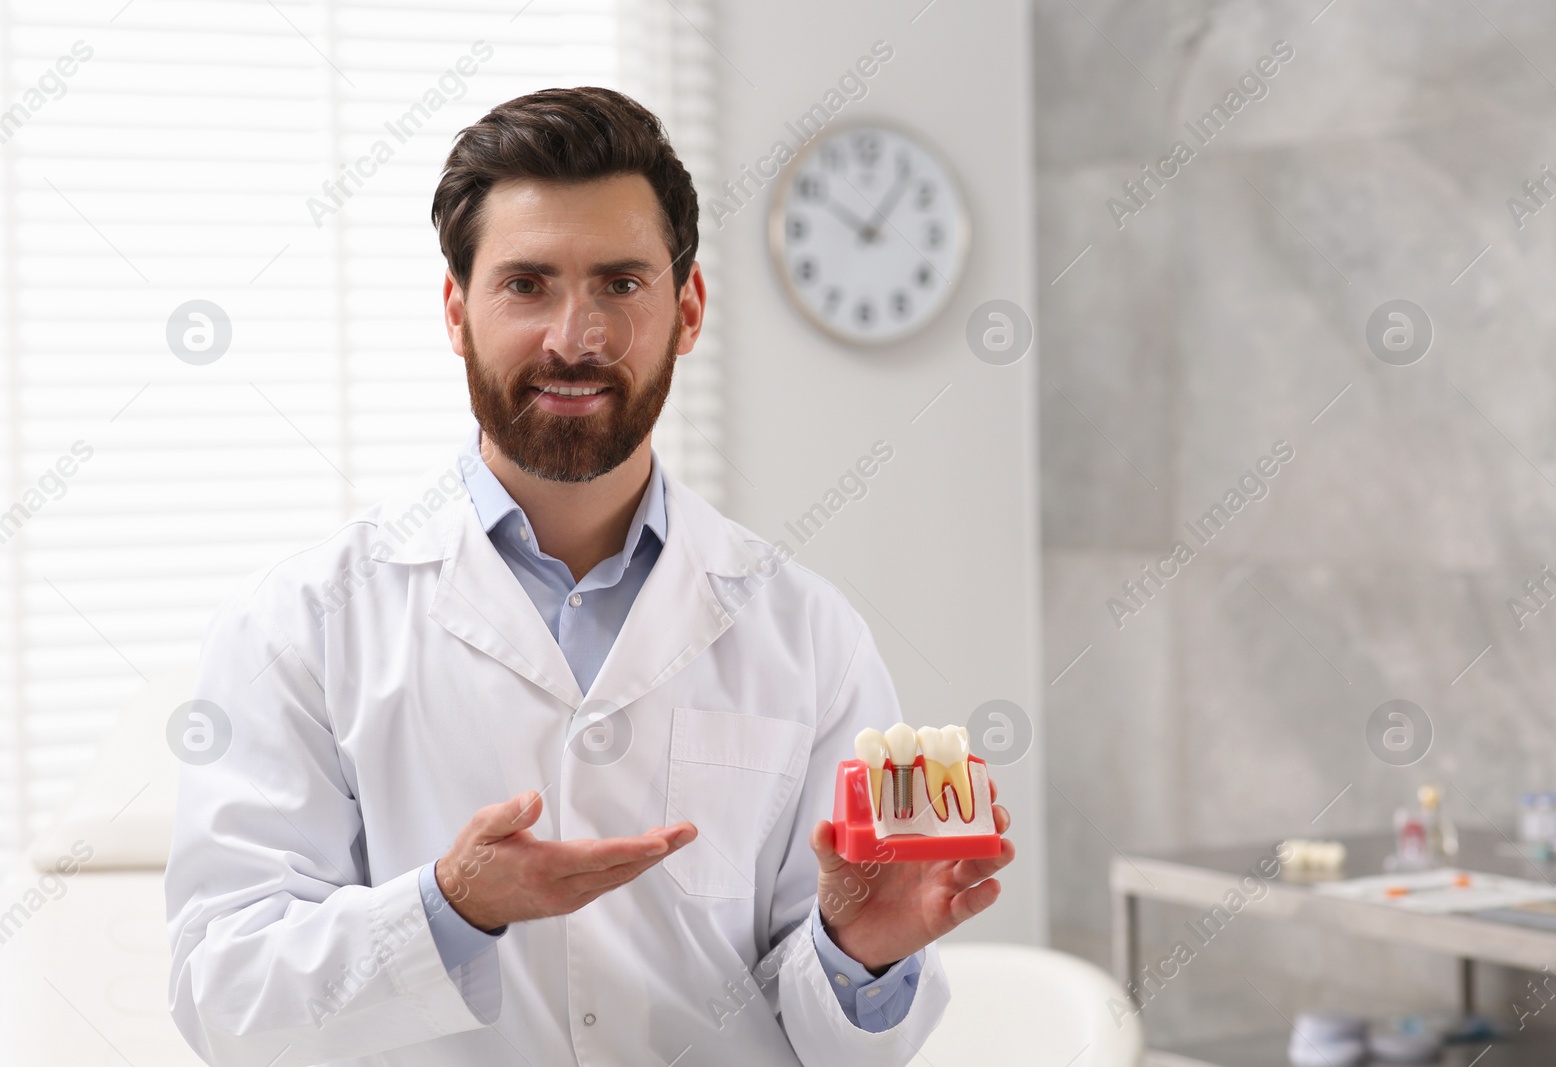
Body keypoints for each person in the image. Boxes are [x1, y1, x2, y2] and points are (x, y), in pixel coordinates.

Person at [164, 86, 1014, 1067]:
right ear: (456, 310)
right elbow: (225, 993)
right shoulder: (303, 622)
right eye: (527, 284)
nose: (575, 336)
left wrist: (857, 954)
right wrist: (449, 907)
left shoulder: (808, 632)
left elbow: (844, 1036)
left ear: (687, 309)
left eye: (619, 282)